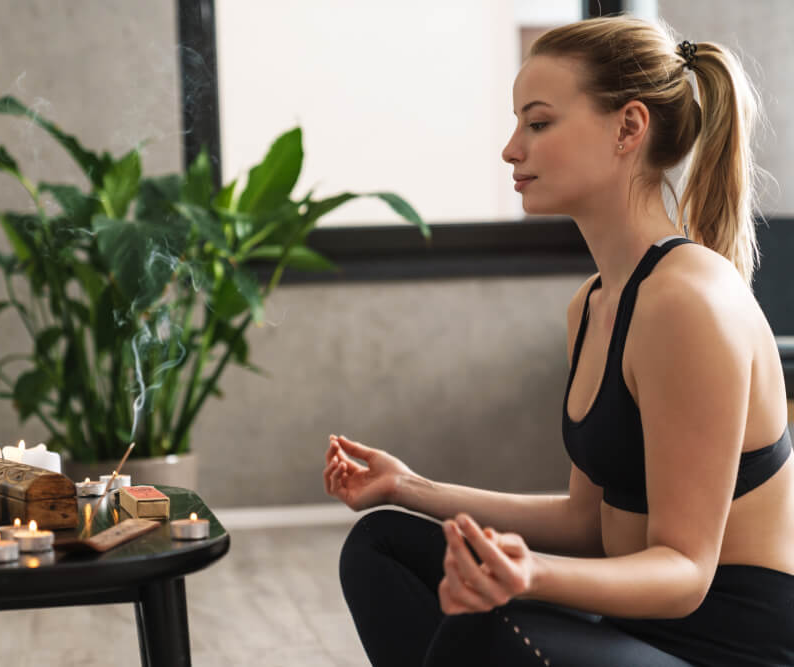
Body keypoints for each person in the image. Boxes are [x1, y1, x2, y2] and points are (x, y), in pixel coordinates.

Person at [325, 15, 793, 667]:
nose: (512, 148)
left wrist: (530, 575)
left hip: (724, 646)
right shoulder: (595, 302)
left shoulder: (687, 301)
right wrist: (409, 486)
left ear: (629, 127)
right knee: (382, 546)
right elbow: (585, 522)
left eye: (538, 123)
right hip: (632, 626)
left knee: (487, 626)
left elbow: (686, 571)